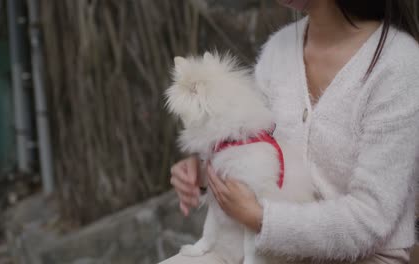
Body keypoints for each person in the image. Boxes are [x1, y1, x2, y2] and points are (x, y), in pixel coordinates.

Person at [163, 0, 419, 263]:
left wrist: (259, 218)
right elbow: (250, 149)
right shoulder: (279, 49)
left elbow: (371, 218)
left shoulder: (399, 64)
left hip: (364, 257)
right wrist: (208, 168)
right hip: (264, 246)